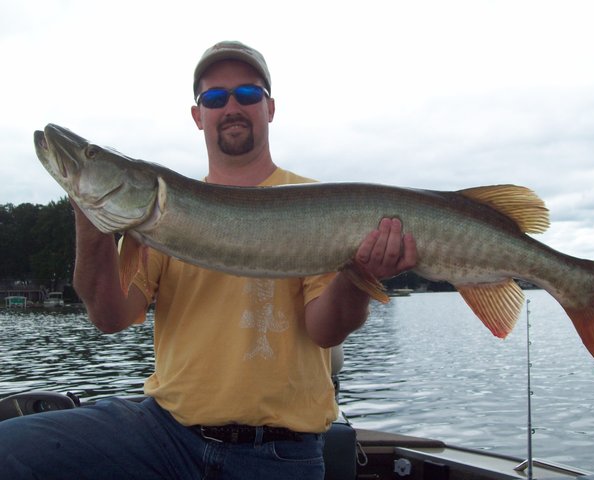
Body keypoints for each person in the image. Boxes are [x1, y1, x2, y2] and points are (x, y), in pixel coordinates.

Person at [0, 41, 417, 479]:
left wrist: (358, 276)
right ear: (198, 115)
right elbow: (109, 316)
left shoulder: (318, 205)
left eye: (248, 94)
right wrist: (88, 215)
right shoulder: (155, 218)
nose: (231, 106)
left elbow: (324, 329)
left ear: (270, 108)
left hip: (276, 451)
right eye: (215, 98)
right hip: (164, 435)